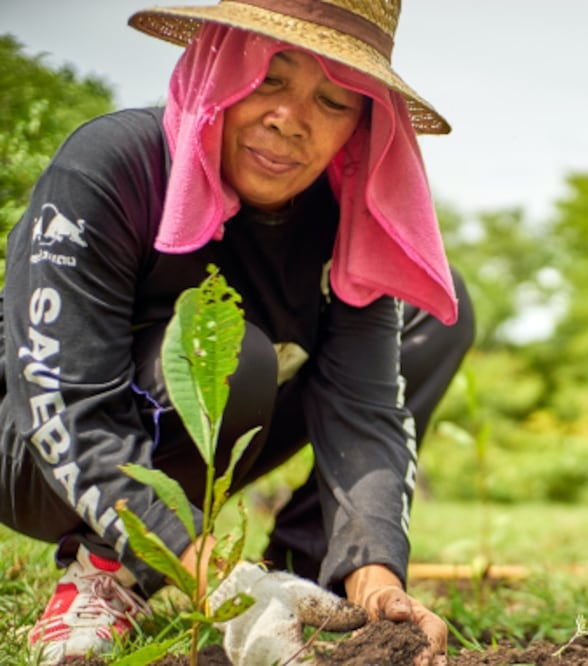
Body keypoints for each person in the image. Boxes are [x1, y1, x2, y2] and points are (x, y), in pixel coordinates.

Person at [0, 1, 474, 663]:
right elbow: (63, 399)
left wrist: (377, 582)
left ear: (363, 127)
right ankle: (107, 574)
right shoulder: (112, 168)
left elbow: (363, 413)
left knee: (438, 309)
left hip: (201, 445)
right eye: (270, 79)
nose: (290, 119)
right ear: (221, 67)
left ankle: (309, 581)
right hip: (33, 452)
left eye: (335, 102)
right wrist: (224, 585)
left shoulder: (346, 223)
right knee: (228, 354)